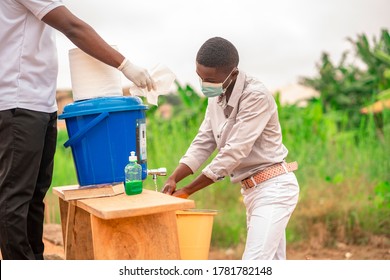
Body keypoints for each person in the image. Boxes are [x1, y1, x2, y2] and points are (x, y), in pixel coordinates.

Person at [0, 0, 155, 260]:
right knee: (15, 197)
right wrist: (125, 64)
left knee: (35, 194)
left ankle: (34, 261)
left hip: (39, 103)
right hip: (19, 102)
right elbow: (73, 27)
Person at [162, 37, 299, 260]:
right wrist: (174, 177)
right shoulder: (216, 96)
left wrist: (188, 190)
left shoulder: (256, 96)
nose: (204, 83)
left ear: (232, 73)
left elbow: (234, 152)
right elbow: (204, 141)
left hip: (274, 189)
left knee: (253, 264)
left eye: (210, 79)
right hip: (252, 190)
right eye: (200, 77)